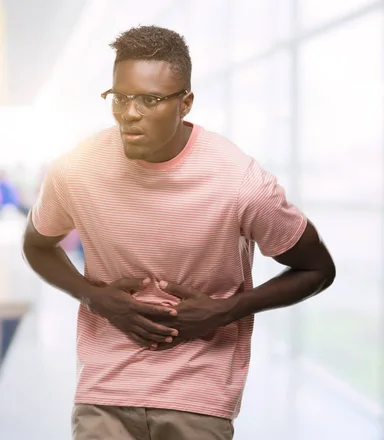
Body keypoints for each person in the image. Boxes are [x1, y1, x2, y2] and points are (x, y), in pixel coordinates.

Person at [22, 25, 335, 440]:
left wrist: (226, 310)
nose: (130, 113)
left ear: (185, 103)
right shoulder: (75, 170)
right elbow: (37, 245)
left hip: (198, 396)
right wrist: (94, 297)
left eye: (150, 100)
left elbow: (317, 270)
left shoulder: (238, 181)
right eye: (121, 97)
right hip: (104, 390)